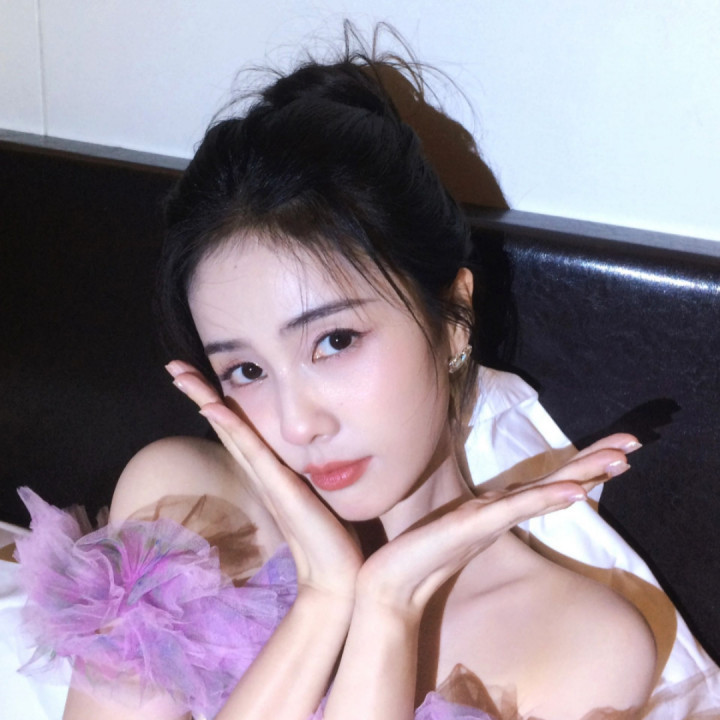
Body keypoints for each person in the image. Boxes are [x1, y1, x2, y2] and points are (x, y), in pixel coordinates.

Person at [16, 32, 659, 720]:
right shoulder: (188, 515)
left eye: (335, 340)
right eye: (247, 369)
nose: (298, 424)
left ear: (453, 318)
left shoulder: (577, 645)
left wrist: (388, 607)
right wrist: (323, 598)